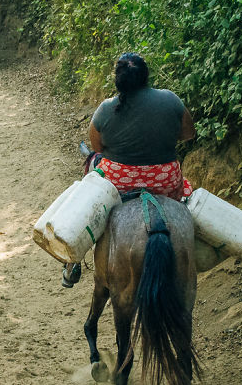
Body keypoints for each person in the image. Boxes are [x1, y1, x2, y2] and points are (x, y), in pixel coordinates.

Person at [62, 52, 196, 288]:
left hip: (119, 184)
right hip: (165, 181)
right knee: (187, 200)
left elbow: (98, 148)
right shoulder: (170, 99)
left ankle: (72, 261)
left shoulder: (106, 108)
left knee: (92, 172)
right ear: (146, 76)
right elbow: (188, 134)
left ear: (118, 80)